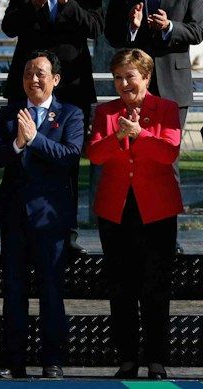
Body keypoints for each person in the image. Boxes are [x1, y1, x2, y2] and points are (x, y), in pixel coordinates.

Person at [88, 48, 182, 379]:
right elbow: (96, 155)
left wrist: (140, 134)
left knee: (156, 287)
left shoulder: (166, 109)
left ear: (146, 77)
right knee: (121, 287)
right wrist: (119, 135)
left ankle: (156, 358)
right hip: (116, 210)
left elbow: (169, 152)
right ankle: (127, 358)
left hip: (156, 209)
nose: (124, 83)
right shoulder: (107, 112)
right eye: (117, 77)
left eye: (130, 76)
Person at [0, 50, 83, 379]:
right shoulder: (10, 113)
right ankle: (13, 359)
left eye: (41, 73)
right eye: (28, 73)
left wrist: (35, 140)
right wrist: (17, 144)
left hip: (51, 218)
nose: (34, 79)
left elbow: (70, 156)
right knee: (13, 291)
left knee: (51, 291)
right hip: (15, 217)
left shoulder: (70, 114)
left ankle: (52, 359)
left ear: (55, 79)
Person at [104, 0, 201, 126]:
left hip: (174, 87)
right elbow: (111, 35)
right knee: (137, 153)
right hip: (134, 86)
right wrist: (131, 27)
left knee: (169, 153)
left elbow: (197, 31)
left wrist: (169, 27)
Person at [4, 0, 103, 115]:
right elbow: (9, 28)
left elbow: (95, 29)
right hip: (29, 84)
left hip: (73, 84)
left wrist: (68, 4)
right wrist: (31, 6)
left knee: (73, 144)